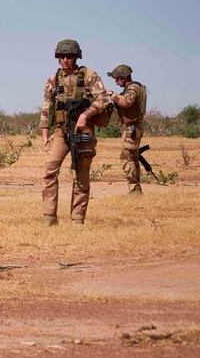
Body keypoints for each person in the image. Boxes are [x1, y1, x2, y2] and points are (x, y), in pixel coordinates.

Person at [39, 39, 110, 226]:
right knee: (49, 172)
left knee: (81, 175)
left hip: (83, 131)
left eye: (69, 56)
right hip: (61, 132)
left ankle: (77, 220)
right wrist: (45, 133)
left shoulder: (89, 75)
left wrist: (85, 115)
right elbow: (46, 107)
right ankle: (49, 217)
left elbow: (103, 99)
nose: (65, 60)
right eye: (61, 56)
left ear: (76, 57)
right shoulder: (53, 80)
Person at [105, 64, 148, 194]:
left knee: (126, 158)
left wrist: (111, 94)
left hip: (132, 128)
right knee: (133, 158)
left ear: (124, 78)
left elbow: (126, 102)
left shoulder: (133, 88)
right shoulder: (131, 88)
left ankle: (134, 189)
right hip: (130, 128)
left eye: (117, 79)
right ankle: (136, 189)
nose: (116, 82)